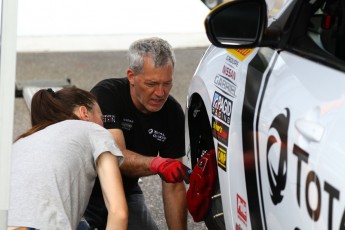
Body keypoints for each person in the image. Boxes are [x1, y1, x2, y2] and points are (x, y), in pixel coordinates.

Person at [84, 37, 190, 230]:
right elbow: (117, 156)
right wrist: (158, 163)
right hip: (85, 190)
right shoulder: (106, 95)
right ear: (131, 76)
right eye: (151, 84)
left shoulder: (173, 113)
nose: (160, 93)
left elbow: (173, 186)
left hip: (126, 191)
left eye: (167, 83)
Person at [7, 87, 128, 230]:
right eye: (102, 118)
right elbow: (118, 212)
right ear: (84, 113)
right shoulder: (93, 130)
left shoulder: (22, 141)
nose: (103, 124)